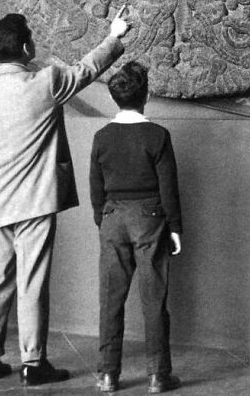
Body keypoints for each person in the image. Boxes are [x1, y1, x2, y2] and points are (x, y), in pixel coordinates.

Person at [0, 8, 129, 386]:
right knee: (31, 282)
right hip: (36, 200)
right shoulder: (47, 82)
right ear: (24, 47)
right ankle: (33, 364)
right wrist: (114, 36)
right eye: (31, 37)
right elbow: (87, 69)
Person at [90, 61, 182, 394]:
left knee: (110, 300)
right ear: (145, 96)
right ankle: (158, 375)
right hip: (150, 219)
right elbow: (168, 186)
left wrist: (105, 220)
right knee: (154, 299)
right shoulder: (157, 135)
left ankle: (107, 374)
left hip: (113, 219)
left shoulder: (102, 137)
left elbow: (95, 187)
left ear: (115, 97)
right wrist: (174, 227)